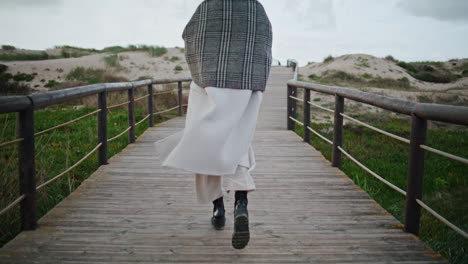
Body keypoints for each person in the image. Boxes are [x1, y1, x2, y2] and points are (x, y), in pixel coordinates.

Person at [153, 0, 272, 250]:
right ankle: (241, 203)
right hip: (247, 83)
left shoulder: (207, 7)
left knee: (204, 142)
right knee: (238, 142)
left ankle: (218, 209)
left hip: (208, 81)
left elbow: (190, 37)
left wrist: (204, 70)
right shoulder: (256, 8)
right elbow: (265, 46)